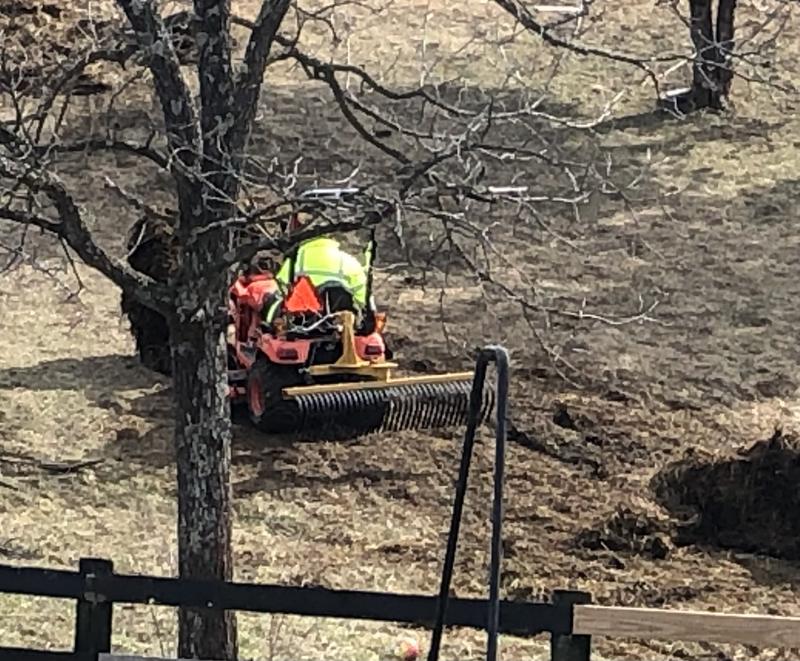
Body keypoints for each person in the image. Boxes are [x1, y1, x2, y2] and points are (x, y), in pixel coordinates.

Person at [263, 212, 372, 323]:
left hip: (302, 327)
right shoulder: (349, 262)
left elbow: (279, 295)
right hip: (341, 328)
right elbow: (363, 302)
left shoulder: (294, 263)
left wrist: (268, 322)